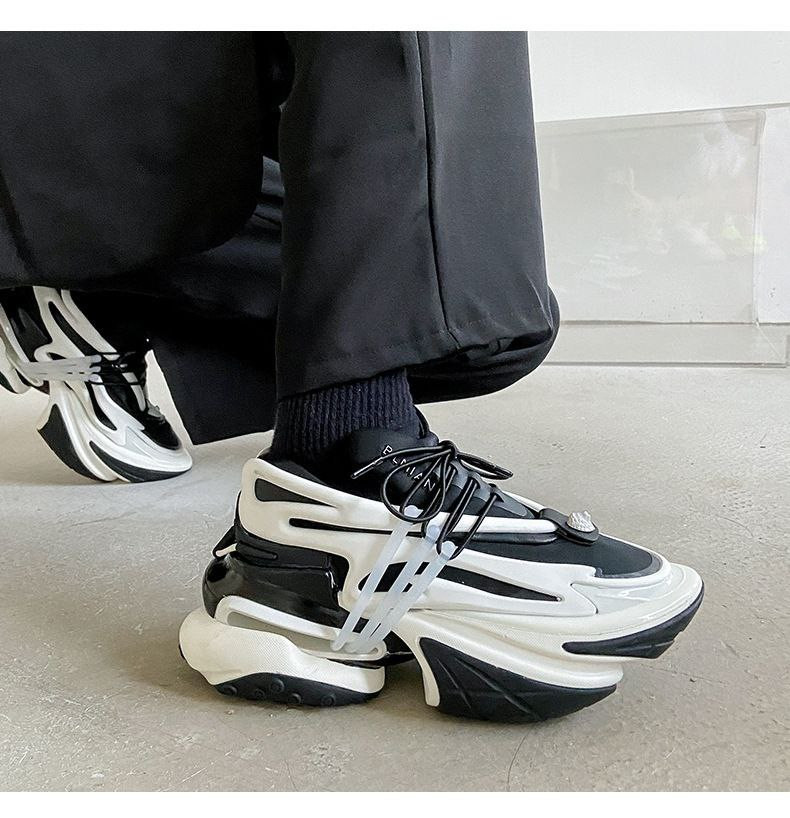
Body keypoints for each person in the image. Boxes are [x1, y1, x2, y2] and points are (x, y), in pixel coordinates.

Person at [0, 32, 703, 722]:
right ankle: (338, 486)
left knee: (482, 326)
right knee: (427, 289)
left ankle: (86, 297)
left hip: (90, 141)